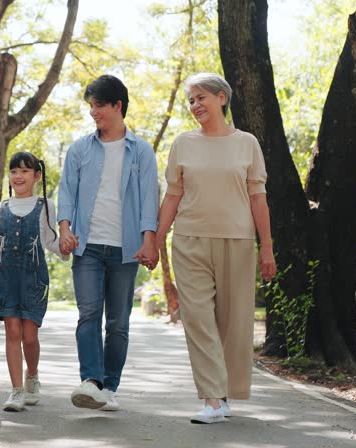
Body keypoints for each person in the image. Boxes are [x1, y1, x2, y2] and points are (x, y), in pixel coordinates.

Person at [155, 72, 276, 424]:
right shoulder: (183, 144)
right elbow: (173, 196)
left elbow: (258, 199)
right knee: (197, 319)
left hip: (237, 240)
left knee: (234, 323)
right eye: (191, 100)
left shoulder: (247, 143)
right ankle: (211, 400)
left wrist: (266, 247)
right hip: (189, 240)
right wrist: (156, 238)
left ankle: (226, 396)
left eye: (201, 98)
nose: (195, 106)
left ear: (221, 98)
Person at [57, 74, 160, 412]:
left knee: (118, 322)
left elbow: (149, 200)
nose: (93, 113)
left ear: (118, 105)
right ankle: (91, 381)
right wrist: (65, 229)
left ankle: (110, 387)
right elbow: (66, 193)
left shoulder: (141, 151)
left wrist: (150, 241)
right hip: (87, 246)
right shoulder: (79, 149)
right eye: (91, 106)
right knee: (89, 314)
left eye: (99, 105)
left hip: (125, 248)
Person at [0, 152, 68, 412]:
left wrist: (66, 249)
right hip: (6, 278)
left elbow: (51, 241)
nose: (18, 176)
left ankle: (32, 376)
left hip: (33, 279)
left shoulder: (46, 206)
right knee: (12, 332)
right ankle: (16, 391)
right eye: (14, 171)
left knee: (30, 336)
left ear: (36, 176)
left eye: (25, 171)